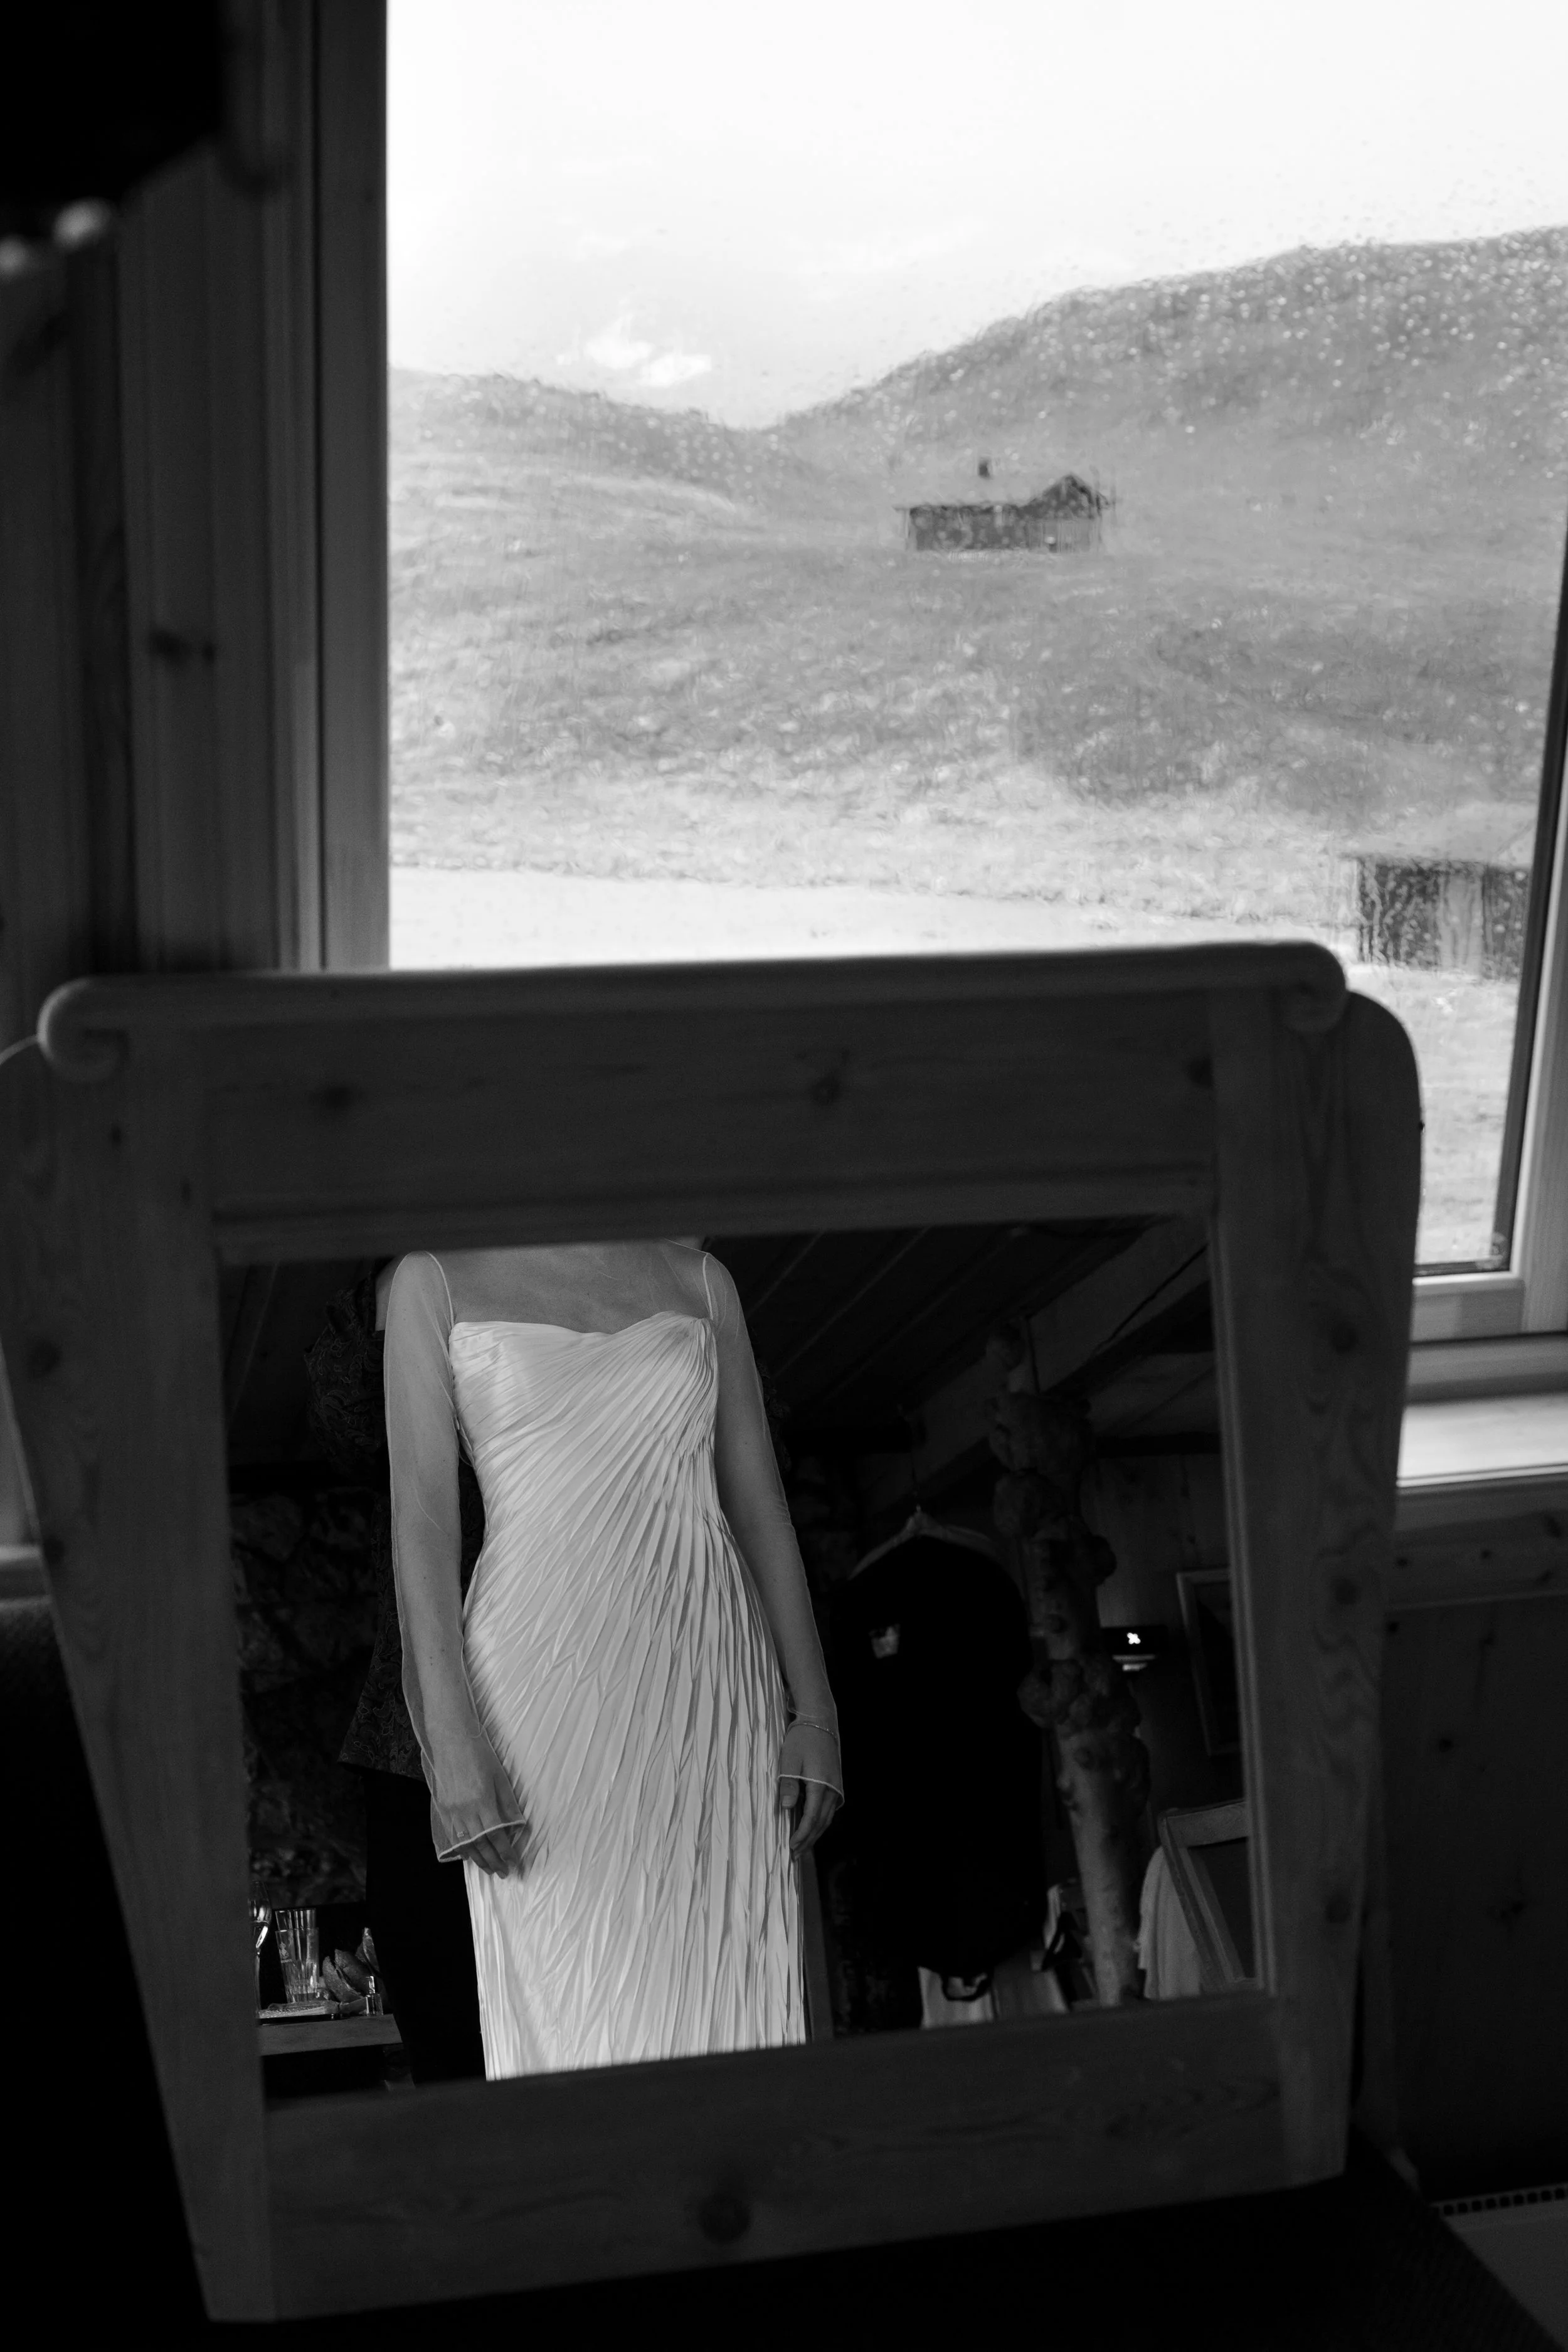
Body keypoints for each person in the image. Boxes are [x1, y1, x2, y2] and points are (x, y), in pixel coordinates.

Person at [384, 1237, 842, 2079]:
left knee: (731, 1998)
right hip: (539, 1687)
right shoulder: (433, 1280)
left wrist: (814, 1707)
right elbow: (422, 1525)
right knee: (575, 2002)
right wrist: (449, 1743)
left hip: (712, 1682)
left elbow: (759, 1502)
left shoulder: (698, 1278)